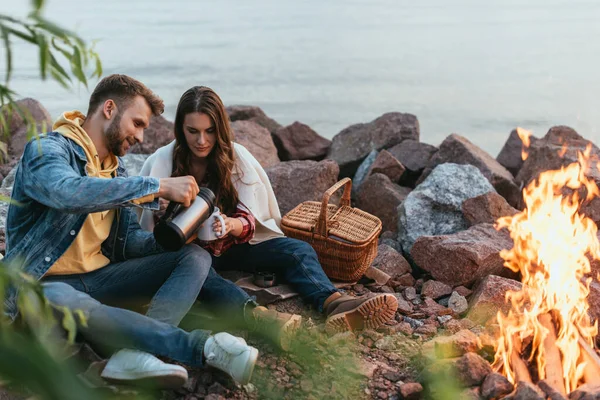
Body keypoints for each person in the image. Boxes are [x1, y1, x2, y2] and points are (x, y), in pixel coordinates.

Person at [3, 75, 259, 388]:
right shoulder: (47, 150)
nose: (140, 136)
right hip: (40, 284)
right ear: (109, 109)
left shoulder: (114, 167)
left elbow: (126, 246)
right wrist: (157, 186)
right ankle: (203, 347)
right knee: (70, 302)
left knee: (192, 257)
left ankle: (132, 356)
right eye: (137, 123)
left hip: (99, 278)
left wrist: (170, 237)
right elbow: (66, 192)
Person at [138, 86, 399, 347]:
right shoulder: (163, 162)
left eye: (210, 131)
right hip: (191, 254)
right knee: (200, 274)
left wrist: (231, 225)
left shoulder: (235, 157)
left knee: (297, 250)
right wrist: (164, 210)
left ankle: (335, 304)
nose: (202, 141)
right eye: (192, 131)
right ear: (180, 129)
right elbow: (147, 229)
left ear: (221, 128)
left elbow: (252, 218)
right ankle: (262, 318)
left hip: (233, 244)